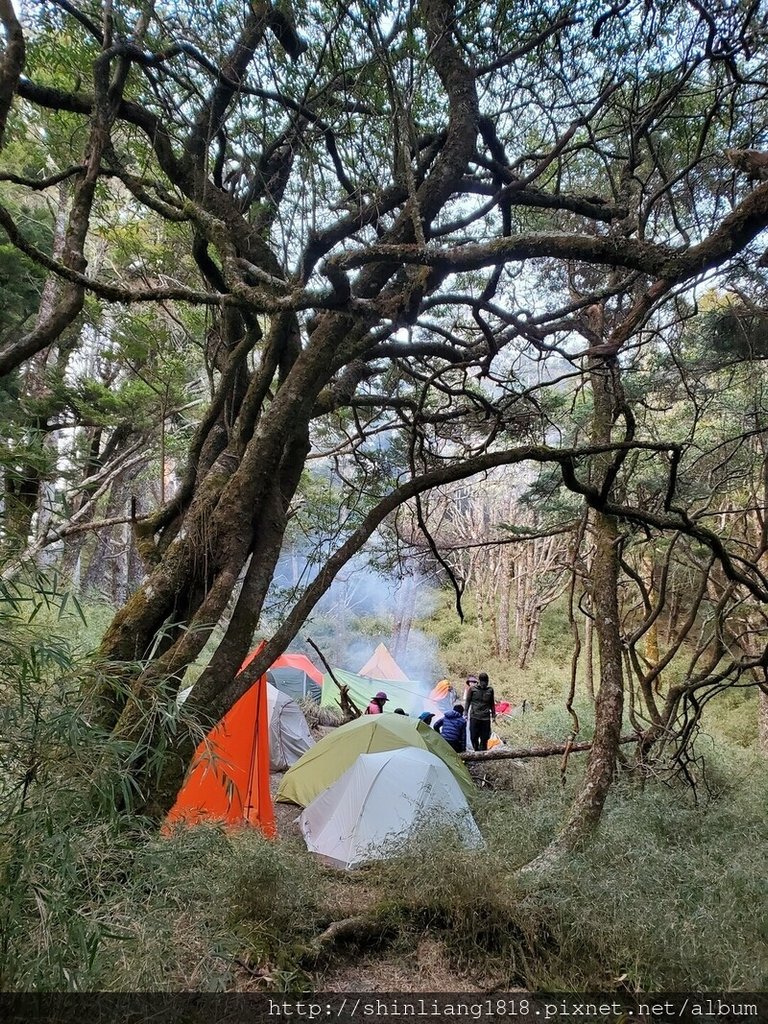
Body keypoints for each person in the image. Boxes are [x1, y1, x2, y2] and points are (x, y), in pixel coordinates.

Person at [464, 672, 496, 751]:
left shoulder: (490, 690)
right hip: (474, 716)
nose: (484, 684)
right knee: (473, 736)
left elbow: (492, 703)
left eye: (486, 682)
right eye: (483, 682)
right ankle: (476, 750)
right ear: (479, 681)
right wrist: (465, 713)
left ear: (488, 681)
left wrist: (494, 715)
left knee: (485, 737)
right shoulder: (472, 689)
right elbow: (467, 701)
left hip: (485, 718)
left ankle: (482, 754)